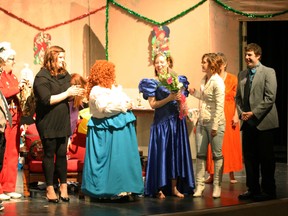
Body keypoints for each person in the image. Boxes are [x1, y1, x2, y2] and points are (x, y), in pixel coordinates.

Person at [81, 60, 144, 200]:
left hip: (118, 127)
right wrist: (123, 106)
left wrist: (126, 103)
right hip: (105, 128)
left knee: (121, 159)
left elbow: (128, 100)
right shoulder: (97, 90)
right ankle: (104, 190)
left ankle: (123, 188)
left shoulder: (113, 89)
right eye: (111, 72)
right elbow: (105, 108)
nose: (113, 75)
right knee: (107, 160)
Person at [138, 52, 195, 199]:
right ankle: (159, 188)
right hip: (161, 125)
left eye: (162, 62)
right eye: (157, 63)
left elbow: (182, 100)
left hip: (176, 122)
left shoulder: (177, 80)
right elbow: (152, 104)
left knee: (174, 155)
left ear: (168, 63)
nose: (160, 65)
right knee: (161, 155)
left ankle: (174, 187)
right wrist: (169, 98)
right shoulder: (153, 82)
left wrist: (180, 102)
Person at [33, 46, 85, 203]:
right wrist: (68, 93)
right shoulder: (42, 77)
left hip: (62, 119)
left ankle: (63, 186)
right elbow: (46, 100)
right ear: (51, 59)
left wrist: (76, 93)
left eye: (64, 57)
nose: (63, 60)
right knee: (49, 153)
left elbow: (68, 96)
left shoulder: (65, 75)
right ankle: (49, 188)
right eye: (60, 57)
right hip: (47, 120)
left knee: (62, 153)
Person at [235, 43, 279, 202]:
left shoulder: (268, 72)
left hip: (263, 122)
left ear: (258, 56)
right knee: (250, 158)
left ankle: (268, 190)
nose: (247, 57)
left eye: (250, 55)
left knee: (266, 159)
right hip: (248, 123)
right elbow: (238, 98)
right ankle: (252, 189)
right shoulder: (242, 74)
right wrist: (242, 114)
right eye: (246, 55)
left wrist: (254, 113)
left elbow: (270, 97)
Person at [189, 53, 225, 198]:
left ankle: (217, 186)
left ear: (212, 64)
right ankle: (200, 186)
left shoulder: (217, 81)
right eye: (202, 62)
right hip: (202, 121)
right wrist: (195, 93)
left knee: (217, 155)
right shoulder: (205, 79)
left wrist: (215, 125)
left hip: (215, 122)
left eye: (204, 62)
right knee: (200, 154)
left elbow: (219, 104)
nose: (202, 64)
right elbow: (205, 98)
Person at [205, 53, 243, 184]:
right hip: (215, 113)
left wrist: (236, 115)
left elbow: (238, 99)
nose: (218, 65)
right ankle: (211, 174)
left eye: (220, 63)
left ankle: (231, 173)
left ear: (225, 64)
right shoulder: (212, 78)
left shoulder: (233, 79)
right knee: (214, 143)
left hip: (229, 112)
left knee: (230, 144)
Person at [0, 42, 22, 200]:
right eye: (11, 59)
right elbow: (3, 92)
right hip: (4, 119)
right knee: (3, 155)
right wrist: (18, 88)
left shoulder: (13, 76)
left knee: (13, 153)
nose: (14, 62)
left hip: (15, 117)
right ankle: (0, 188)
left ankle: (9, 186)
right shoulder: (0, 76)